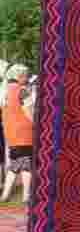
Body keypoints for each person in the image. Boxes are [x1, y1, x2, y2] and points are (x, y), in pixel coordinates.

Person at [0, 65, 33, 203]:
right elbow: (29, 112)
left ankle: (5, 195)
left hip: (10, 133)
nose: (26, 78)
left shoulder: (3, 91)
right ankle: (26, 196)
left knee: (15, 163)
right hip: (24, 133)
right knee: (26, 164)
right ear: (19, 76)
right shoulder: (22, 91)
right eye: (25, 75)